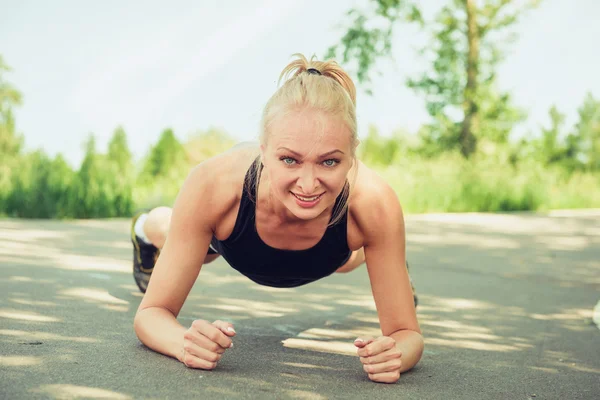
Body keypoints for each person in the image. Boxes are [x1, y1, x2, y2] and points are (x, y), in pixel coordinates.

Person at [131, 54, 423, 384]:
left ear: (352, 152)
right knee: (172, 231)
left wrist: (395, 353)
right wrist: (182, 342)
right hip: (228, 244)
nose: (309, 184)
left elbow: (407, 335)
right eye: (289, 160)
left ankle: (391, 263)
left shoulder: (374, 204)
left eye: (329, 162)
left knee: (350, 258)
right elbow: (151, 315)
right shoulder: (214, 185)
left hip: (332, 255)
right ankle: (142, 229)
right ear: (264, 150)